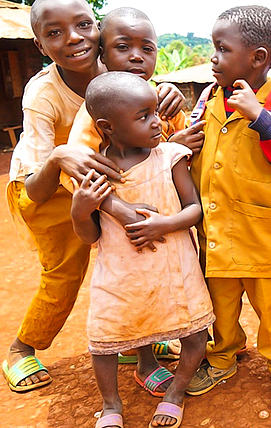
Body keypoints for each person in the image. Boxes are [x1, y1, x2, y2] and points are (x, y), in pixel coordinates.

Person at [2, 0, 185, 393]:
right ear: (39, 45)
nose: (73, 39)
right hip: (44, 189)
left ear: (100, 33)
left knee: (132, 263)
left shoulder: (122, 69)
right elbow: (36, 185)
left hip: (111, 187)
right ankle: (22, 348)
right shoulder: (43, 94)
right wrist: (57, 159)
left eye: (84, 25)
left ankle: (138, 347)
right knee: (65, 273)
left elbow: (151, 128)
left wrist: (170, 97)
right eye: (54, 33)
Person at [183, 5, 271, 415]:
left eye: (221, 49)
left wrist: (259, 117)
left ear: (258, 57)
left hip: (261, 236)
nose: (213, 57)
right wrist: (184, 144)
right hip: (218, 231)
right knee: (220, 305)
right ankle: (223, 355)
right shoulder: (208, 98)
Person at [63, 6, 201, 372]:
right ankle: (142, 355)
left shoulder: (162, 98)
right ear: (102, 54)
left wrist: (179, 137)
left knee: (165, 287)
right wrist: (122, 211)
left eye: (148, 47)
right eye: (124, 47)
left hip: (167, 221)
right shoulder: (95, 112)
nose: (137, 56)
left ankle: (154, 348)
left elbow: (178, 147)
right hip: (122, 232)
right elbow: (79, 169)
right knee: (133, 292)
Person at [72, 71, 212, 428]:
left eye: (155, 113)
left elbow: (194, 209)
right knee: (104, 342)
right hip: (120, 276)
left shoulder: (169, 157)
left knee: (195, 336)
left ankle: (175, 393)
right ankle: (111, 405)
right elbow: (89, 237)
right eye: (143, 117)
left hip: (173, 270)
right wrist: (80, 209)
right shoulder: (93, 170)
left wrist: (162, 224)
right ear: (107, 127)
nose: (156, 124)